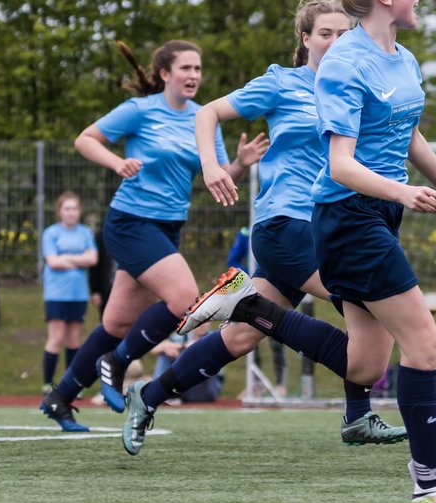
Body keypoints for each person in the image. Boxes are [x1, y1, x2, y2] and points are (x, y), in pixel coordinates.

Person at [179, 0, 436, 503]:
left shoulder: (402, 60)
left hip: (379, 211)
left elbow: (409, 137)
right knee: (424, 340)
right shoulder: (345, 64)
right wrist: (405, 190)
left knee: (364, 364)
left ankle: (249, 307)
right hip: (347, 216)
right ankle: (432, 484)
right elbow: (341, 166)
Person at [119, 0, 406, 455]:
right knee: (367, 304)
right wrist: (213, 166)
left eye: (342, 34)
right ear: (305, 40)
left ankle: (147, 396)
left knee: (240, 336)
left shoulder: (355, 86)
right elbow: (206, 113)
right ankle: (356, 415)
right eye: (325, 34)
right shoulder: (281, 83)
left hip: (330, 226)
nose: (335, 42)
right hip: (286, 224)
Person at [37, 39, 266, 432]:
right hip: (130, 222)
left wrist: (240, 165)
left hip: (168, 228)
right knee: (184, 301)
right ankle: (117, 363)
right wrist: (117, 162)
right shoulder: (139, 111)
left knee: (116, 324)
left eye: (198, 69)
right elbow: (85, 139)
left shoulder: (202, 120)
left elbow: (218, 176)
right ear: (164, 74)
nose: (194, 75)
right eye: (185, 68)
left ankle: (60, 398)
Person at [40, 192, 98, 393]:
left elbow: (92, 259)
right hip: (57, 294)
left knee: (74, 340)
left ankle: (71, 385)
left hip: (78, 294)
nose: (71, 213)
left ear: (79, 212)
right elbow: (53, 261)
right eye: (67, 208)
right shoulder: (51, 233)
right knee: (55, 339)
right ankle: (48, 384)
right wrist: (78, 258)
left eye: (74, 208)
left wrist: (67, 258)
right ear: (59, 212)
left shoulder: (85, 233)